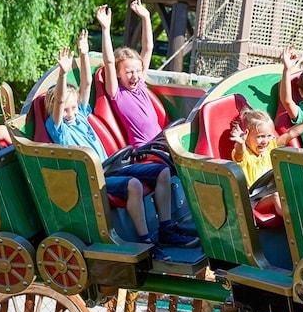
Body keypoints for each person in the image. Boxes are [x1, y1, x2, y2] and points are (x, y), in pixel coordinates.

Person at [46, 29, 196, 247]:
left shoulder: (83, 116)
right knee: (134, 185)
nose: (71, 113)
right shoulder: (59, 127)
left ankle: (166, 228)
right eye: (67, 109)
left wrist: (84, 53)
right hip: (94, 177)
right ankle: (145, 241)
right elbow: (59, 102)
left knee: (162, 172)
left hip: (113, 166)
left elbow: (87, 83)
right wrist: (62, 74)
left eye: (73, 108)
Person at [230, 107, 303, 217]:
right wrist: (241, 143)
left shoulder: (270, 147)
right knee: (277, 196)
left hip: (271, 188)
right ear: (246, 136)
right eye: (260, 136)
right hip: (255, 198)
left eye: (269, 136)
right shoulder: (245, 155)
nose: (265, 141)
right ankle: (295, 224)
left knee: (299, 184)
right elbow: (239, 153)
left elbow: (291, 134)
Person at [100, 0, 164, 147]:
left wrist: (146, 17)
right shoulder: (117, 93)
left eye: (138, 71)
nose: (135, 76)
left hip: (161, 144)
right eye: (129, 72)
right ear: (118, 73)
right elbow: (109, 61)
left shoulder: (140, 84)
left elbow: (148, 48)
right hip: (144, 150)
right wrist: (105, 29)